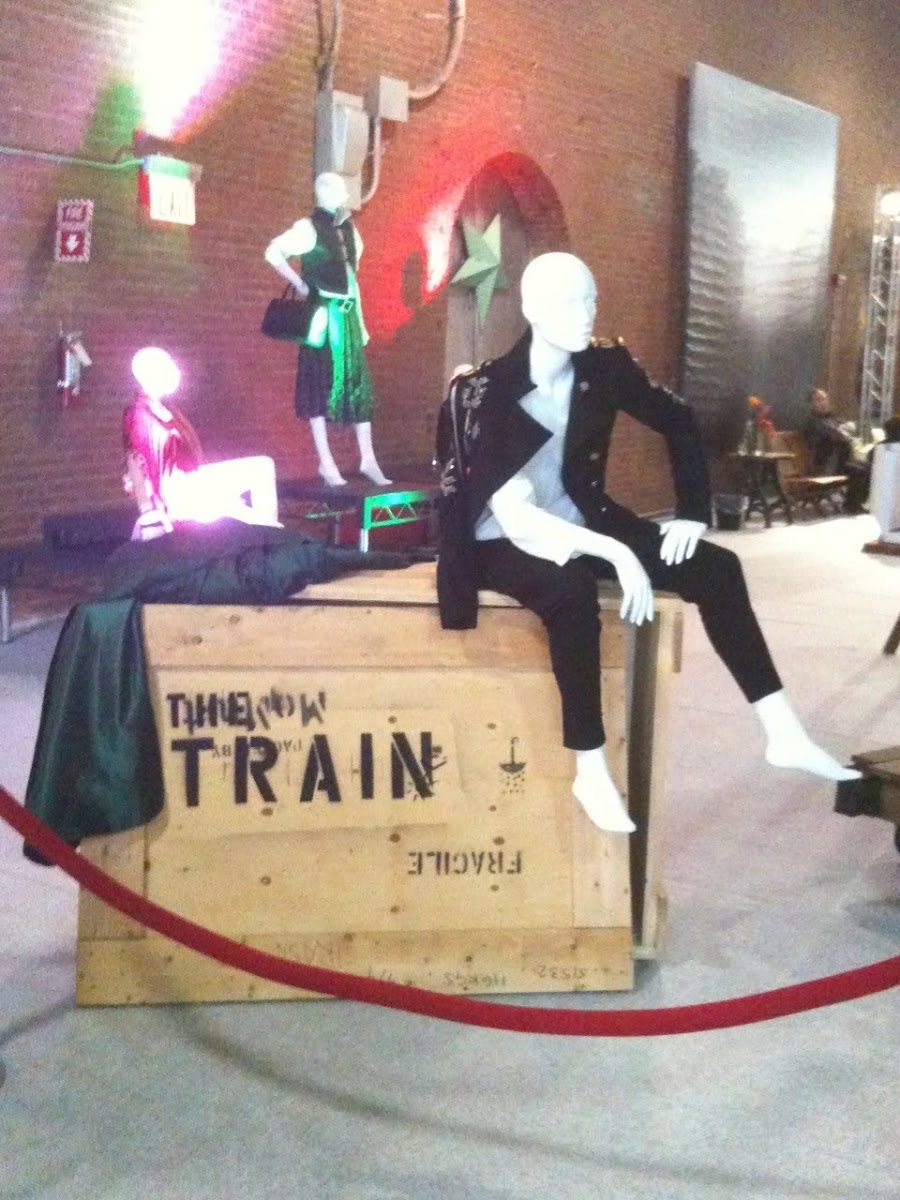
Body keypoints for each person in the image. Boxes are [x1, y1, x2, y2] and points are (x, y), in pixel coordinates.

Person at [435, 252, 859, 835]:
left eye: (591, 299)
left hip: (585, 518)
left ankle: (782, 731)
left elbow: (678, 417)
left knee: (717, 569)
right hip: (500, 537)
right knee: (569, 590)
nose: (586, 314)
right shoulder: (485, 392)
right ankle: (589, 768)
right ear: (531, 309)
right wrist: (618, 553)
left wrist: (691, 512)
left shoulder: (602, 367)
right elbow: (519, 520)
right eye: (569, 302)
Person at [264, 172, 391, 488]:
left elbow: (352, 278)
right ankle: (326, 461)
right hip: (323, 315)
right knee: (319, 383)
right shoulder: (308, 229)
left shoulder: (349, 231)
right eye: (338, 189)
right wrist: (299, 283)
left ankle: (367, 458)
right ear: (323, 192)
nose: (344, 195)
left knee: (358, 384)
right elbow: (273, 252)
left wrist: (360, 323)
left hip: (347, 317)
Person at [123, 347, 280, 539]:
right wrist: (148, 510)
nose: (174, 369)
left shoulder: (167, 410)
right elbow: (135, 462)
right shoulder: (139, 414)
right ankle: (269, 537)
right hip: (178, 494)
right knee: (261, 469)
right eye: (167, 364)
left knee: (262, 468)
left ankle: (268, 535)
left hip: (189, 480)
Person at [801, 388, 870, 513]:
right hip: (824, 463)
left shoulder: (832, 417)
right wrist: (843, 431)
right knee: (859, 471)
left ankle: (856, 501)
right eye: (818, 400)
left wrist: (847, 428)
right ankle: (851, 505)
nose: (822, 403)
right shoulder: (811, 420)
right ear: (811, 404)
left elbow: (850, 430)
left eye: (824, 399)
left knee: (869, 466)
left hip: (840, 460)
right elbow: (834, 435)